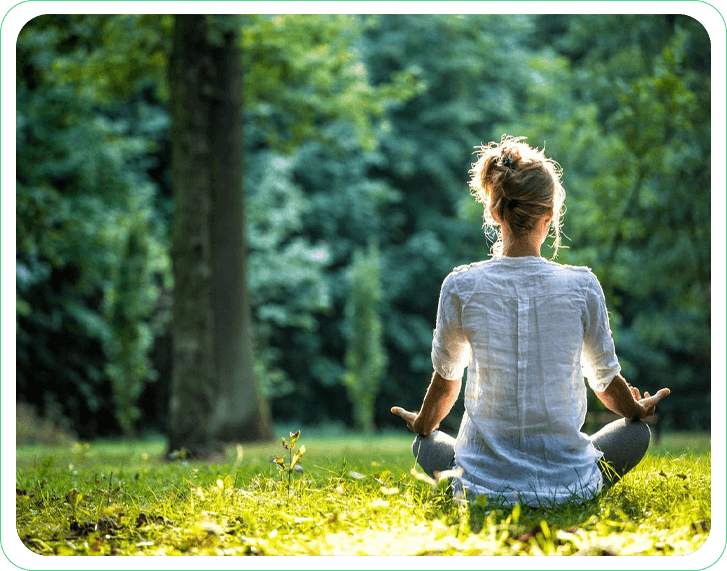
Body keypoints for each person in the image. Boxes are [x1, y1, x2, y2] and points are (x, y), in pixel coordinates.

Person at [391, 135, 670, 506]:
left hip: (481, 488)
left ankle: (478, 481)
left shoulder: (460, 285)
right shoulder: (582, 286)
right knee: (637, 435)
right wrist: (636, 409)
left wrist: (423, 424)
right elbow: (604, 383)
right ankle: (574, 488)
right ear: (550, 213)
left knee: (424, 443)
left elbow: (446, 385)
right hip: (568, 484)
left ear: (494, 211)